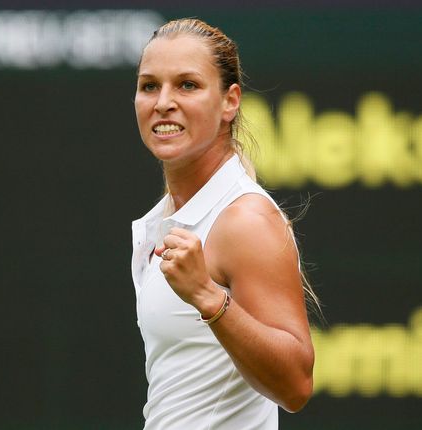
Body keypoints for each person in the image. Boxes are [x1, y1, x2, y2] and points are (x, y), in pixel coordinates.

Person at [130, 18, 317, 430]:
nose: (163, 101)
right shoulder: (162, 219)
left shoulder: (244, 219)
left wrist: (208, 297)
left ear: (230, 101)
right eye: (149, 86)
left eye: (187, 85)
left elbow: (295, 385)